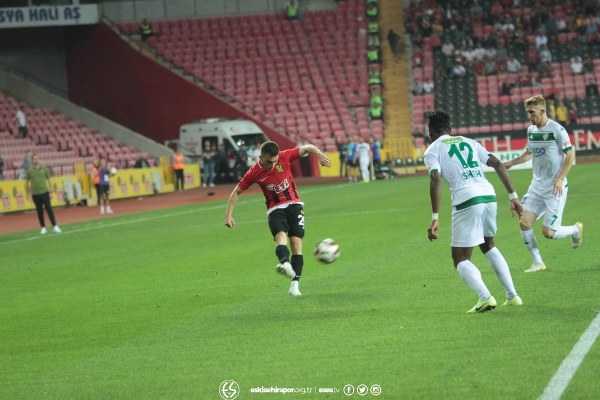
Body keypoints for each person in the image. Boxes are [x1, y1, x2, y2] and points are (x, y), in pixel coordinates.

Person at [424, 111, 523, 313]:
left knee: (460, 258)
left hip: (466, 199)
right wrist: (514, 196)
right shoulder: (470, 142)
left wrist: (435, 218)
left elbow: (435, 179)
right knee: (488, 245)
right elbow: (496, 163)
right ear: (450, 130)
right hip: (488, 195)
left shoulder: (432, 150)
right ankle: (513, 296)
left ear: (431, 132)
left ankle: (485, 297)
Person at [224, 141, 332, 297]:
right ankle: (285, 264)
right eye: (269, 161)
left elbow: (308, 147)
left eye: (275, 161)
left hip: (295, 204)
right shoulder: (253, 172)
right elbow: (236, 192)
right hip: (275, 208)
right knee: (280, 236)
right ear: (260, 157)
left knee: (296, 243)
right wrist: (228, 215)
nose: (273, 164)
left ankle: (294, 285)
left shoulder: (285, 156)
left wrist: (319, 155)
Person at [504, 95, 583, 272]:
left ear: (542, 110)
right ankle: (538, 262)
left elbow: (570, 154)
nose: (529, 116)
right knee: (524, 222)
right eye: (527, 112)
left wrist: (561, 178)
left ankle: (575, 230)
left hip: (555, 187)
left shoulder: (557, 129)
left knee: (549, 233)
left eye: (532, 112)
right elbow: (529, 153)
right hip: (536, 186)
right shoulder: (531, 130)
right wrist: (512, 163)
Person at [24, 154, 61, 235]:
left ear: (39, 159)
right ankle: (43, 228)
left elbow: (49, 180)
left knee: (49, 210)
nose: (35, 160)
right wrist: (27, 194)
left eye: (37, 159)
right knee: (39, 211)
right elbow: (26, 183)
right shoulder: (29, 171)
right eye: (34, 159)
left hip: (45, 192)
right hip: (35, 194)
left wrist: (51, 191)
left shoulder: (44, 169)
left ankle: (55, 226)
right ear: (32, 160)